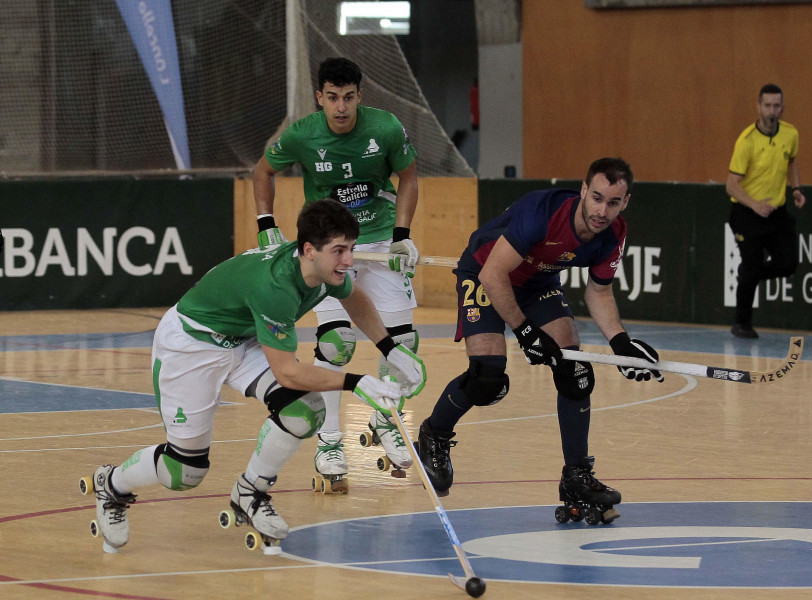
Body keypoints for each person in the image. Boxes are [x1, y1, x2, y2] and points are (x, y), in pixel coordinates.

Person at [82, 199, 426, 554]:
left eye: (351, 249)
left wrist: (390, 348)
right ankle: (113, 484)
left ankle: (250, 492)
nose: (349, 260)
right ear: (309, 250)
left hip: (243, 339)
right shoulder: (276, 286)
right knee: (183, 472)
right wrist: (357, 383)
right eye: (339, 251)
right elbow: (289, 373)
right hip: (192, 345)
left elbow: (355, 298)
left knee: (305, 412)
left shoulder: (324, 271)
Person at [415, 158, 664, 521]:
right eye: (596, 198)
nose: (601, 210)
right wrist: (526, 331)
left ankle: (576, 475)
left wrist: (621, 343)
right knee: (487, 376)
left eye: (613, 203)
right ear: (583, 190)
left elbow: (599, 293)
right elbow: (494, 274)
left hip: (538, 282)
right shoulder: (543, 213)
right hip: (486, 272)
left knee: (574, 372)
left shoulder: (614, 232)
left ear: (625, 203)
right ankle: (434, 433)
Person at [252, 57, 420, 484]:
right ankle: (329, 442)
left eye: (348, 98)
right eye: (332, 98)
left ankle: (388, 422)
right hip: (328, 246)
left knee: (402, 345)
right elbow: (263, 170)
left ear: (360, 96)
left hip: (380, 240)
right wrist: (266, 224)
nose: (341, 107)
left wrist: (402, 234)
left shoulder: (384, 128)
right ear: (319, 98)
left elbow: (409, 177)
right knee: (337, 343)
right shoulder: (302, 134)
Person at [726, 83, 807, 339]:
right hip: (746, 212)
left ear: (782, 108)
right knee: (751, 263)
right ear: (759, 107)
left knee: (787, 263)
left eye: (777, 106)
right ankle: (742, 323)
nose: (773, 111)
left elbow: (791, 161)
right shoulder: (747, 141)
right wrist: (755, 205)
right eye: (768, 105)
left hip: (776, 212)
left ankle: (749, 273)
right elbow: (731, 184)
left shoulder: (790, 134)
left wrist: (796, 189)